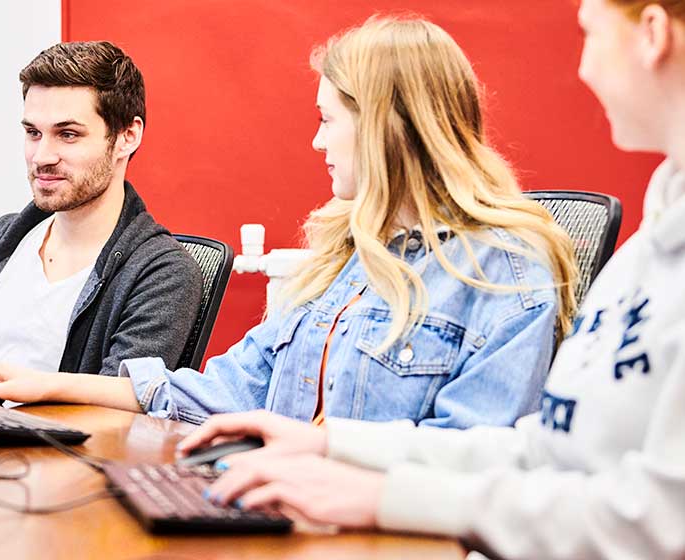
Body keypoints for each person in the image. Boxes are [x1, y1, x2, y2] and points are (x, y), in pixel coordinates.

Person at [181, 3, 685, 558]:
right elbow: (542, 452)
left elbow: (658, 517)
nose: (583, 69)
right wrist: (332, 444)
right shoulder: (648, 249)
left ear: (654, 34)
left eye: (588, 32)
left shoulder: (516, 267)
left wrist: (383, 495)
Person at [0, 18, 579, 431]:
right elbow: (221, 388)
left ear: (387, 125)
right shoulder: (348, 262)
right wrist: (49, 385)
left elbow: (472, 460)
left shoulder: (507, 272)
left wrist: (307, 454)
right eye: (32, 132)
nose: (317, 140)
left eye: (327, 119)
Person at [0, 41, 202, 377]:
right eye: (33, 133)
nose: (42, 157)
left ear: (127, 136)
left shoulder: (162, 274)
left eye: (67, 134)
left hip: (50, 430)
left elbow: (119, 402)